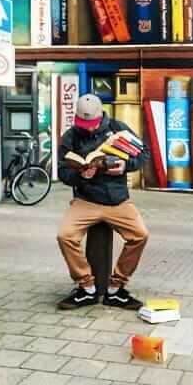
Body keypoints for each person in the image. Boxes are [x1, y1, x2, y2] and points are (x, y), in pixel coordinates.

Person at [56, 94, 150, 310]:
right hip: (86, 199)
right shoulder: (70, 136)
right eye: (83, 124)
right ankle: (86, 287)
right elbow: (62, 171)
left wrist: (126, 167)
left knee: (140, 235)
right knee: (65, 236)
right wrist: (80, 176)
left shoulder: (118, 128)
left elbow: (144, 153)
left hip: (117, 200)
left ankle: (116, 289)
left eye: (92, 124)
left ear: (101, 115)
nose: (88, 129)